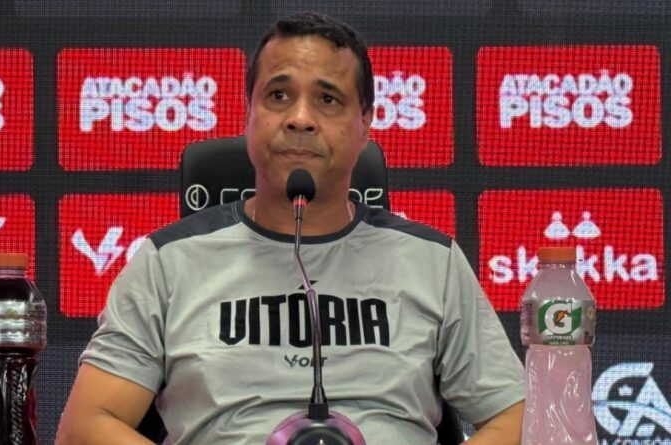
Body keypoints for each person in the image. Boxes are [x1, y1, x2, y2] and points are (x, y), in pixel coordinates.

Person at [56, 12, 525, 445]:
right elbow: (85, 426)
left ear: (365, 123)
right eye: (279, 95)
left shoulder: (433, 263)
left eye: (327, 99)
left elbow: (519, 417)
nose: (300, 119)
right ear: (249, 113)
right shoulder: (167, 263)